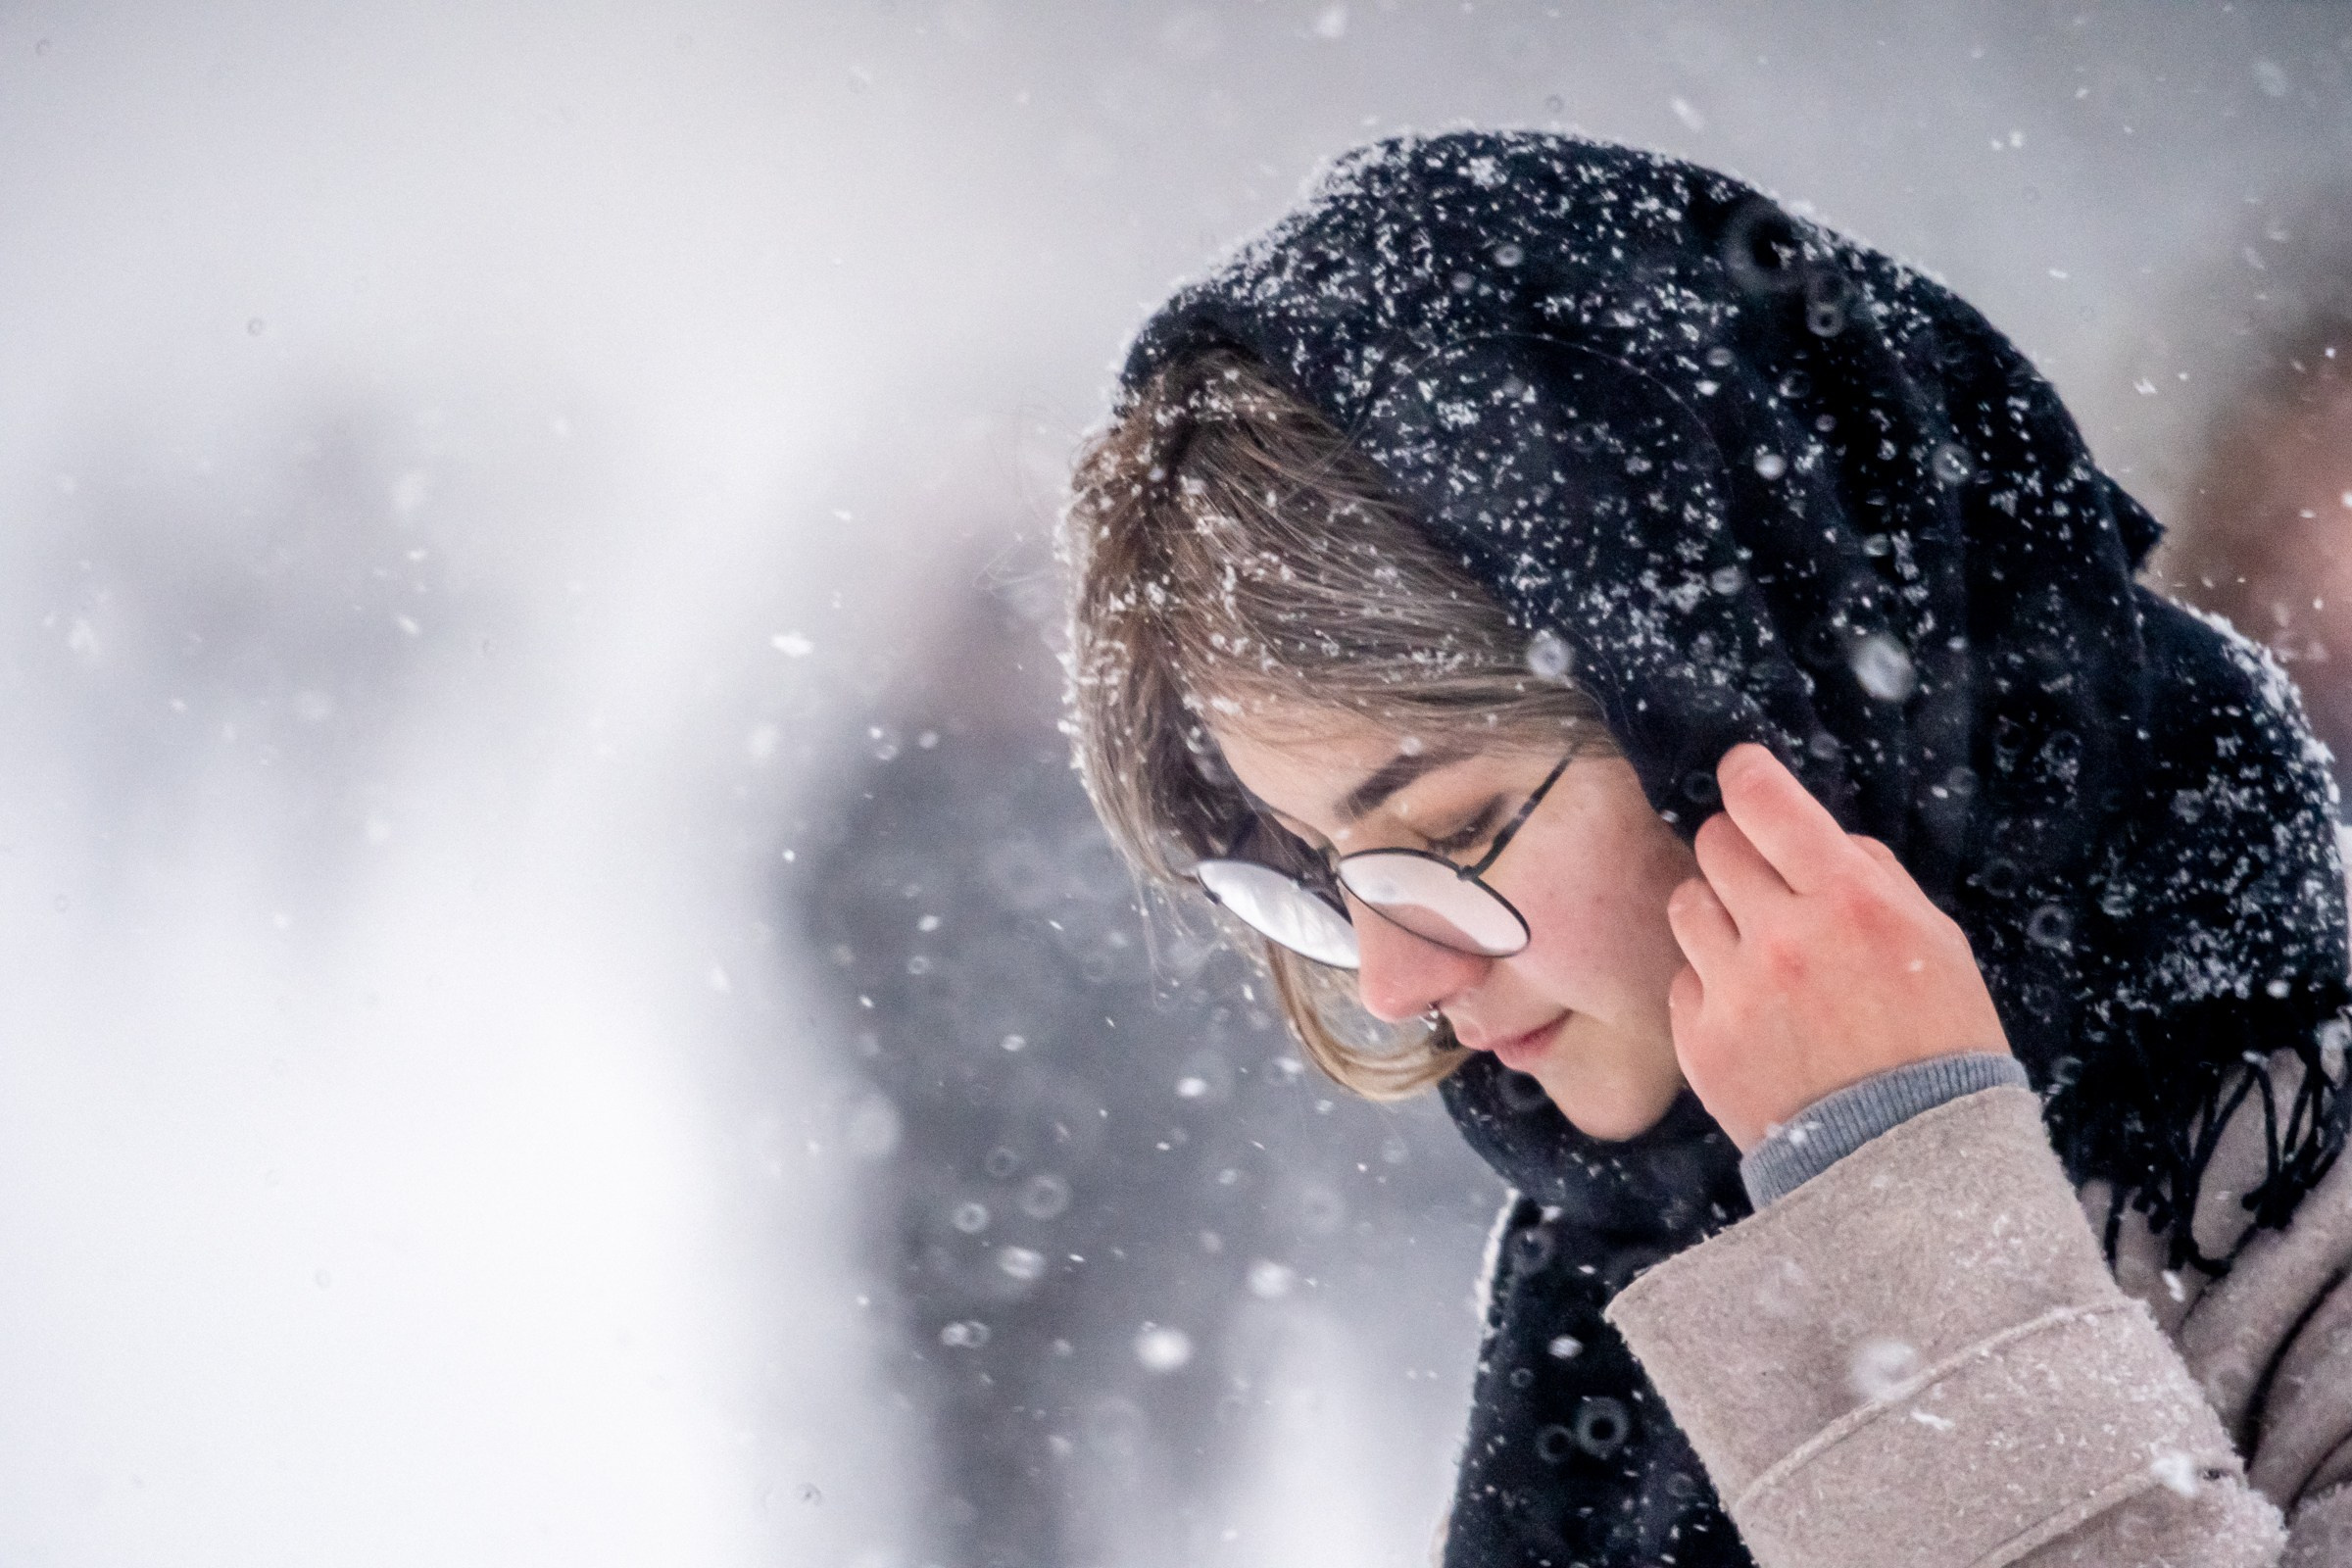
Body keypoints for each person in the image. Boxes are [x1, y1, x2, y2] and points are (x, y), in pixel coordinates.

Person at [1056, 131, 2352, 1566]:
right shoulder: (1621, 1285)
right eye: (1315, 875)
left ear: (1768, 710)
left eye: (1454, 831)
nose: (1394, 981)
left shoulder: (2312, 1210)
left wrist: (1897, 1205)